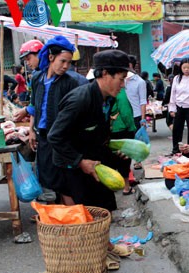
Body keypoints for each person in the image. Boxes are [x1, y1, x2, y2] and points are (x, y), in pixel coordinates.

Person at [47, 49, 134, 269]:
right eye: (121, 79)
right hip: (71, 162)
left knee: (104, 206)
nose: (122, 85)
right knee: (85, 213)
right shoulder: (80, 99)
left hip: (93, 158)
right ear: (105, 73)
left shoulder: (106, 99)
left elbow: (97, 133)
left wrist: (117, 150)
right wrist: (80, 162)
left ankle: (105, 246)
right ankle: (93, 254)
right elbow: (54, 136)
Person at [27, 36, 79, 204]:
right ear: (51, 57)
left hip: (61, 139)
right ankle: (55, 221)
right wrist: (31, 130)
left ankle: (71, 222)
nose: (65, 66)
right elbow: (34, 105)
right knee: (48, 180)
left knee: (65, 182)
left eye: (69, 63)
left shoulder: (70, 83)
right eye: (62, 61)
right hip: (43, 137)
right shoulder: (37, 79)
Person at [110, 87, 137, 195]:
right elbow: (125, 112)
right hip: (122, 129)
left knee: (111, 158)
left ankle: (112, 186)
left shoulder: (102, 92)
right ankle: (126, 187)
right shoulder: (119, 91)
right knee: (124, 159)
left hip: (109, 130)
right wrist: (132, 128)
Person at [125, 55, 147, 131]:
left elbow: (143, 101)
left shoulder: (140, 82)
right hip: (123, 116)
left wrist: (143, 119)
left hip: (136, 115)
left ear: (130, 65)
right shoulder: (121, 80)